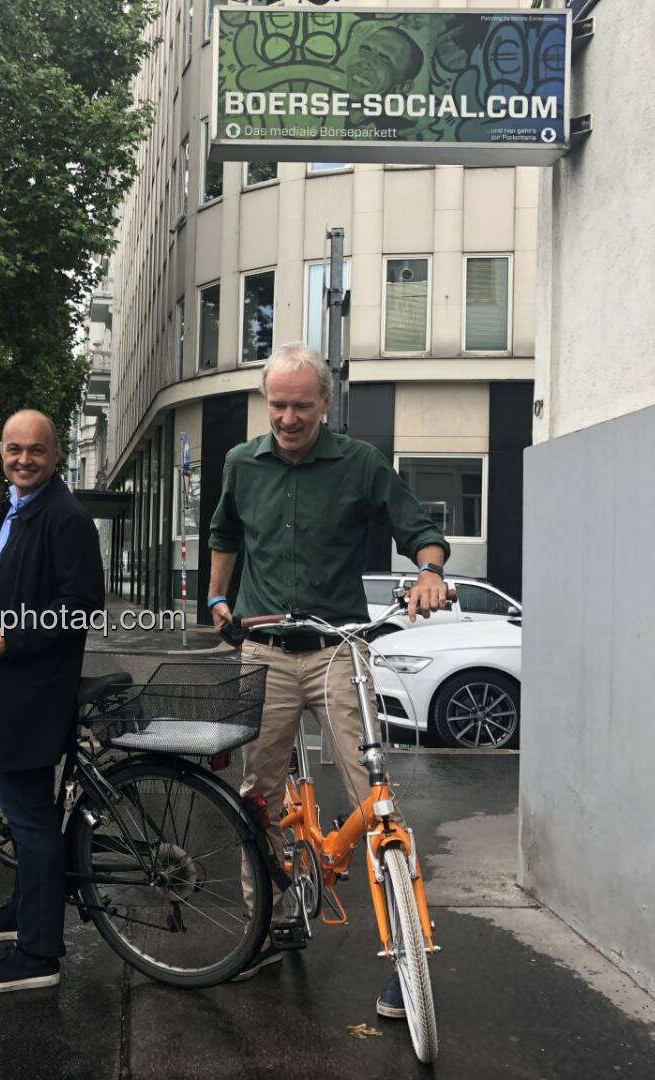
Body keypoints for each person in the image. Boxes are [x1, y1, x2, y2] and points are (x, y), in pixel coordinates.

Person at [206, 343, 449, 1017]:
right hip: (265, 651)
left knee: (376, 796)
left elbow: (419, 529)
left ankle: (407, 954)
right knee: (257, 793)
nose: (288, 417)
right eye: (277, 404)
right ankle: (269, 923)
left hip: (339, 649)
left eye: (301, 405)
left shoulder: (360, 463)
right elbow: (224, 533)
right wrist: (218, 599)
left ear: (325, 404)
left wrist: (430, 571)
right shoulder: (239, 464)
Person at [0, 409, 105, 994]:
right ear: (1, 451)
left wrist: (13, 639)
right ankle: (24, 910)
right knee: (23, 815)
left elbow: (82, 604)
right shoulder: (18, 509)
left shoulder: (65, 518)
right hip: (10, 688)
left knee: (32, 820)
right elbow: (17, 585)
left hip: (34, 691)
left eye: (35, 451)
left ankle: (39, 952)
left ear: (55, 453)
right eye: (14, 449)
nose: (23, 460)